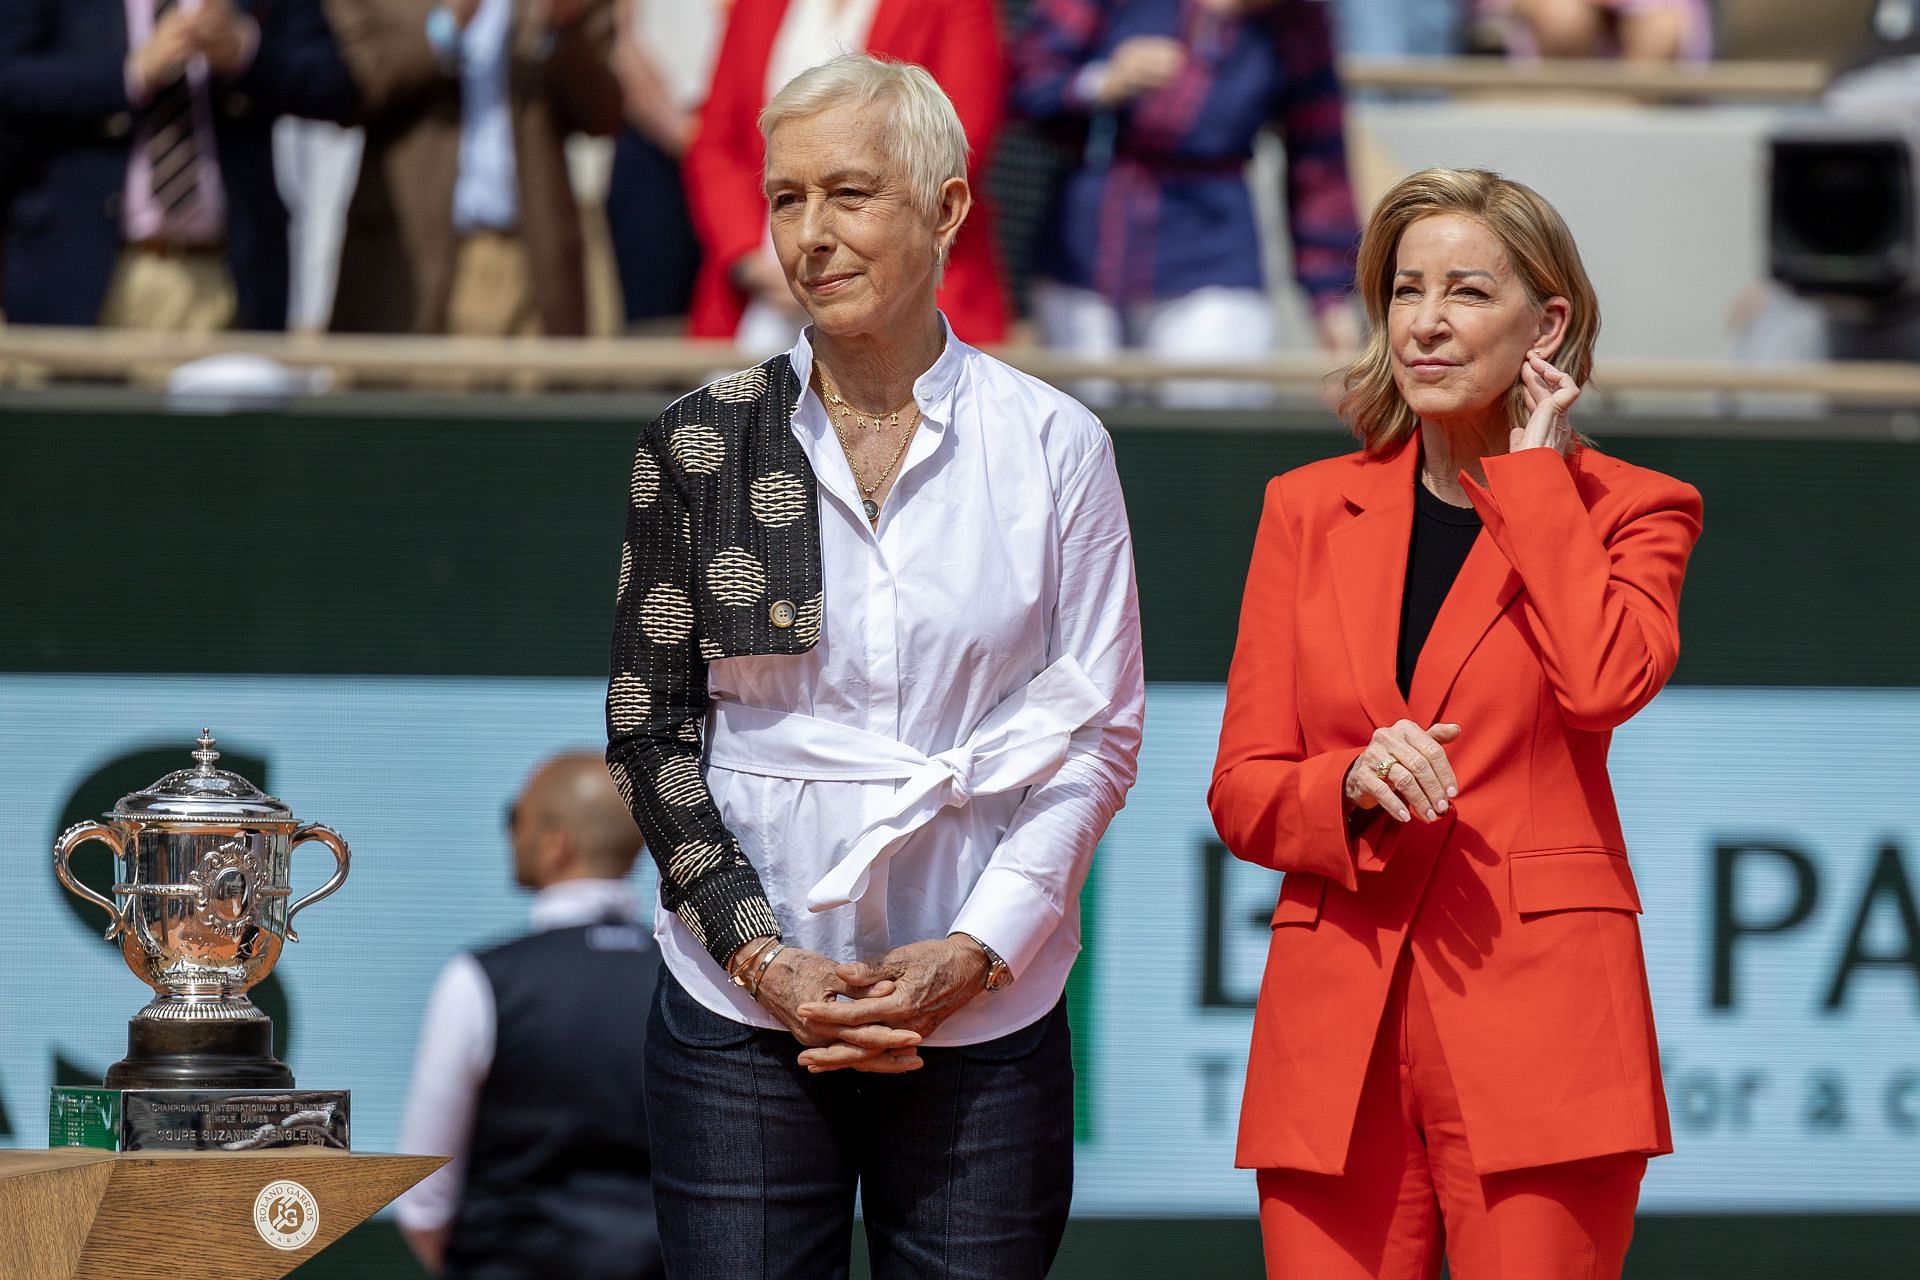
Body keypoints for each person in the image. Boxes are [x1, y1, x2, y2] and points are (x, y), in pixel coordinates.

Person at [606, 53, 1144, 1279]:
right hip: (739, 1014)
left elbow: (1100, 730)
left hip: (991, 1012)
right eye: (786, 198)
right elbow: (650, 730)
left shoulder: (1058, 443)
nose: (810, 235)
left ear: (948, 209)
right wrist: (762, 952)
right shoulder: (700, 438)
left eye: (849, 194)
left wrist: (976, 950)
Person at [1209, 167, 1702, 1278]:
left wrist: (1532, 478)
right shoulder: (1303, 506)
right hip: (1333, 1040)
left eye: (1468, 292)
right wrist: (1344, 781)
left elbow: (1604, 682)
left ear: (1550, 321)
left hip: (1545, 1035)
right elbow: (1242, 784)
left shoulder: (1633, 507)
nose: (1426, 322)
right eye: (1404, 289)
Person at [1010, 0, 1363, 405]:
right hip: (1083, 253)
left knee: (1212, 433)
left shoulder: (1299, 21)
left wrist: (1333, 302)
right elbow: (1025, 81)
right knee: (1077, 432)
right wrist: (1100, 81)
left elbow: (1320, 166)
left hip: (1213, 252)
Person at [395, 752, 663, 1280]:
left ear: (555, 840)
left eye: (513, 818)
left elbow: (422, 1197)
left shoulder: (481, 980)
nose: (509, 835)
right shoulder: (691, 986)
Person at [0, 0, 358, 330]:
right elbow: (11, 79)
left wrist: (245, 51)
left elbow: (333, 85)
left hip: (221, 276)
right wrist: (130, 74)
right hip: (72, 269)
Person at [683, 0, 1010, 352]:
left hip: (907, 300)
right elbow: (716, 143)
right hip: (759, 298)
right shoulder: (758, 6)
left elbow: (951, 147)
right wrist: (749, 259)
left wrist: (840, 261)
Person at [322, 0, 622, 335]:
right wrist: (447, 24)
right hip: (413, 258)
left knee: (546, 384)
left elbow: (605, 115)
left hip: (535, 261)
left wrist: (563, 31)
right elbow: (340, 82)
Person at [603, 0, 723, 331]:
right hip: (657, 147)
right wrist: (686, 136)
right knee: (655, 325)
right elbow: (621, 40)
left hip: (746, 147)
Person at [1485, 0, 1712, 62]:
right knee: (1562, 15)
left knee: (1660, 25)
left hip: (1651, 99)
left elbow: (1678, 24)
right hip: (1548, 85)